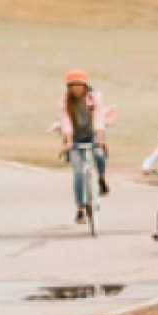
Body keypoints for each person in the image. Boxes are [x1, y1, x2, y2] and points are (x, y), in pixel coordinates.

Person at [54, 69, 112, 222]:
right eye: (73, 86)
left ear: (85, 86)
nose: (77, 89)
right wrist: (68, 141)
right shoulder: (64, 102)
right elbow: (66, 122)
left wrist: (100, 138)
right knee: (79, 172)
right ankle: (80, 209)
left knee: (99, 154)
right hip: (75, 137)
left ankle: (101, 178)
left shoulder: (93, 99)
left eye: (80, 85)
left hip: (93, 133)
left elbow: (99, 118)